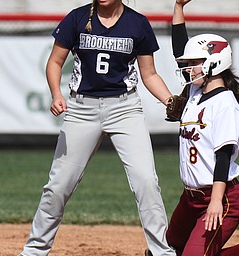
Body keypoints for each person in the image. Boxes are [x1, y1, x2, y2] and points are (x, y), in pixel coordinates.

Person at [19, 0, 176, 255]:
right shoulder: (77, 18)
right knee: (58, 185)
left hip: (124, 107)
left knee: (146, 181)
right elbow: (55, 62)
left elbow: (149, 75)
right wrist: (56, 93)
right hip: (82, 108)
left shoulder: (137, 23)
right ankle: (34, 251)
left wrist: (170, 100)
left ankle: (162, 252)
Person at [165, 1, 239, 256]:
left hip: (221, 197)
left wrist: (214, 203)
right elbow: (180, 52)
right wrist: (179, 8)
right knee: (172, 245)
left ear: (214, 62)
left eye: (196, 62)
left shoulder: (224, 104)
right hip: (191, 197)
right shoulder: (195, 92)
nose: (189, 68)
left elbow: (223, 157)